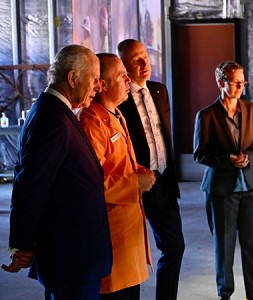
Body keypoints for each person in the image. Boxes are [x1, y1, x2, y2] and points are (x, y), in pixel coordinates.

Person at [1, 44, 111, 299]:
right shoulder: (53, 119)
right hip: (71, 258)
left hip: (75, 256)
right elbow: (31, 185)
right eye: (94, 78)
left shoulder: (55, 112)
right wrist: (22, 243)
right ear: (73, 78)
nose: (99, 86)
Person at [79, 53, 155, 299]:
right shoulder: (92, 122)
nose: (128, 80)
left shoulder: (116, 114)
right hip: (112, 235)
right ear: (102, 84)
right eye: (122, 75)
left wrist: (137, 170)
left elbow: (116, 164)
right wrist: (135, 182)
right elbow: (91, 184)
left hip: (128, 232)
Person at [193, 61, 253, 300]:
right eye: (234, 81)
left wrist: (249, 158)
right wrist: (228, 159)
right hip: (221, 189)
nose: (239, 86)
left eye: (242, 81)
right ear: (220, 82)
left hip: (252, 185)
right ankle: (225, 292)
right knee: (224, 245)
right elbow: (200, 153)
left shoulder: (252, 110)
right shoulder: (206, 116)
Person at [116, 39, 185, 300]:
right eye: (137, 59)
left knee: (175, 247)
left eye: (145, 56)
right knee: (128, 255)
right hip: (135, 185)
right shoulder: (119, 99)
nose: (145, 63)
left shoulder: (159, 90)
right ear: (124, 65)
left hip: (164, 182)